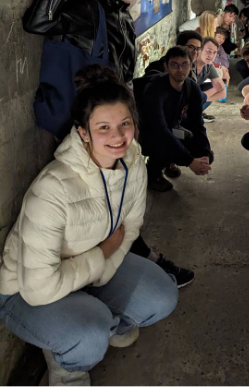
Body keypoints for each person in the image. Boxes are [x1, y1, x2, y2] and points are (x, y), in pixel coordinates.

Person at [0, 66, 178, 386]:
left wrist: (103, 269)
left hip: (89, 268)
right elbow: (38, 288)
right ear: (83, 132)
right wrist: (104, 252)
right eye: (103, 127)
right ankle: (68, 364)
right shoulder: (53, 188)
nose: (118, 136)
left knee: (162, 295)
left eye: (125, 123)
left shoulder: (133, 161)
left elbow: (132, 225)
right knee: (89, 337)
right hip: (24, 290)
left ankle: (96, 314)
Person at [21, 0, 183, 283]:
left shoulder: (123, 18)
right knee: (99, 205)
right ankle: (101, 275)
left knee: (116, 200)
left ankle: (121, 265)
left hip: (109, 125)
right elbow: (38, 23)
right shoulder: (86, 9)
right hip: (83, 128)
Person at [140, 47, 213, 193]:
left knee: (195, 143)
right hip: (147, 133)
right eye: (174, 65)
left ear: (191, 65)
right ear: (166, 66)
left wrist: (204, 153)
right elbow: (160, 130)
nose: (180, 69)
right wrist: (190, 162)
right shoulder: (155, 88)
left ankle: (169, 161)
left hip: (171, 127)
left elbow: (197, 123)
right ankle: (153, 173)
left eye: (184, 64)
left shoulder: (191, 87)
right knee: (164, 141)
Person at [193, 37, 226, 121]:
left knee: (210, 87)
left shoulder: (208, 66)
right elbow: (189, 97)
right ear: (200, 50)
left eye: (214, 53)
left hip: (192, 101)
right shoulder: (190, 65)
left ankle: (196, 113)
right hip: (178, 103)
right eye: (208, 51)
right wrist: (214, 90)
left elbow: (222, 92)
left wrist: (201, 99)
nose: (211, 55)